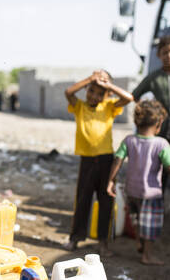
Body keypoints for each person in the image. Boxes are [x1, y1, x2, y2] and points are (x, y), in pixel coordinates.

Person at [63, 70, 134, 255]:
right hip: (87, 161)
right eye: (91, 90)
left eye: (99, 92)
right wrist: (90, 79)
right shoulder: (79, 106)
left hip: (106, 161)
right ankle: (75, 239)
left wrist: (108, 85)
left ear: (107, 94)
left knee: (105, 202)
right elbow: (69, 93)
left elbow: (129, 98)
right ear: (86, 89)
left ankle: (103, 243)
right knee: (82, 200)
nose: (94, 96)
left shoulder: (109, 106)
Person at [107, 100, 170, 265]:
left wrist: (110, 181)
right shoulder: (161, 144)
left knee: (136, 219)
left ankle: (138, 242)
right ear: (159, 123)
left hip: (132, 191)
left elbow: (117, 161)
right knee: (150, 225)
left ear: (136, 122)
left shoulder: (129, 140)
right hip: (151, 194)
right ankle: (147, 256)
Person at [131, 35, 170, 198]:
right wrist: (150, 109)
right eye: (165, 53)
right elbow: (135, 95)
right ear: (159, 55)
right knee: (160, 170)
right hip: (161, 132)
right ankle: (157, 203)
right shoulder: (154, 77)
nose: (169, 56)